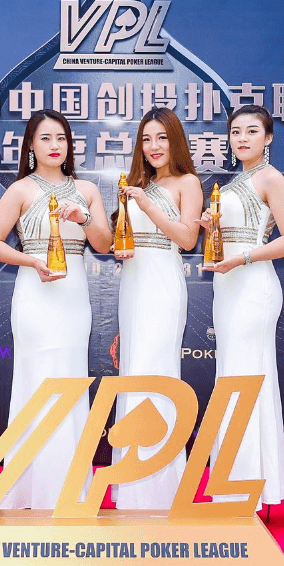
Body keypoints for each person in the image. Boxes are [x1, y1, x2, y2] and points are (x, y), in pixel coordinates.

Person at [0, 110, 111, 509]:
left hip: (73, 295)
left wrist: (84, 217)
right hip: (35, 293)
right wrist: (32, 261)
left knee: (70, 379)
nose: (55, 146)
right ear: (31, 146)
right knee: (36, 381)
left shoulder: (86, 190)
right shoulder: (20, 189)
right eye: (45, 138)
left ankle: (68, 487)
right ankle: (27, 488)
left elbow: (104, 244)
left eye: (61, 138)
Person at [200, 104, 284, 511]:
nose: (242, 138)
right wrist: (212, 227)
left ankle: (245, 492)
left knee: (246, 380)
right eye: (236, 132)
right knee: (232, 378)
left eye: (252, 131)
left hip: (253, 286)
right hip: (227, 286)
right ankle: (237, 487)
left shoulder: (271, 178)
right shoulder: (233, 182)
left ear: (268, 137)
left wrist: (243, 257)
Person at [110, 107, 201, 510]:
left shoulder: (188, 183)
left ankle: (160, 488)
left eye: (161, 137)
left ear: (175, 140)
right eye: (146, 139)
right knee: (134, 375)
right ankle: (132, 483)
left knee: (156, 374)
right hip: (133, 284)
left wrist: (147, 206)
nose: (153, 146)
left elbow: (187, 239)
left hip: (163, 284)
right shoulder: (137, 183)